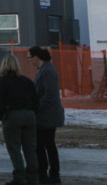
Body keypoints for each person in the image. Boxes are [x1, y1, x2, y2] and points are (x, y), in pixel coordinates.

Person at [0, 54, 39, 185]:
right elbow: (36, 100)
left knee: (14, 149)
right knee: (30, 149)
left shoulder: (3, 83)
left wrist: (2, 116)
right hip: (30, 116)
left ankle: (20, 178)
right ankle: (34, 178)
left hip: (13, 116)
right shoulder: (27, 81)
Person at [27, 46, 63, 184]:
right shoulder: (44, 69)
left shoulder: (47, 71)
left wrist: (36, 108)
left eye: (29, 58)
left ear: (36, 57)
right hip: (45, 115)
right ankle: (47, 173)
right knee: (45, 145)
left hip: (46, 116)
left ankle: (50, 175)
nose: (29, 61)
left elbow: (49, 95)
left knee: (46, 145)